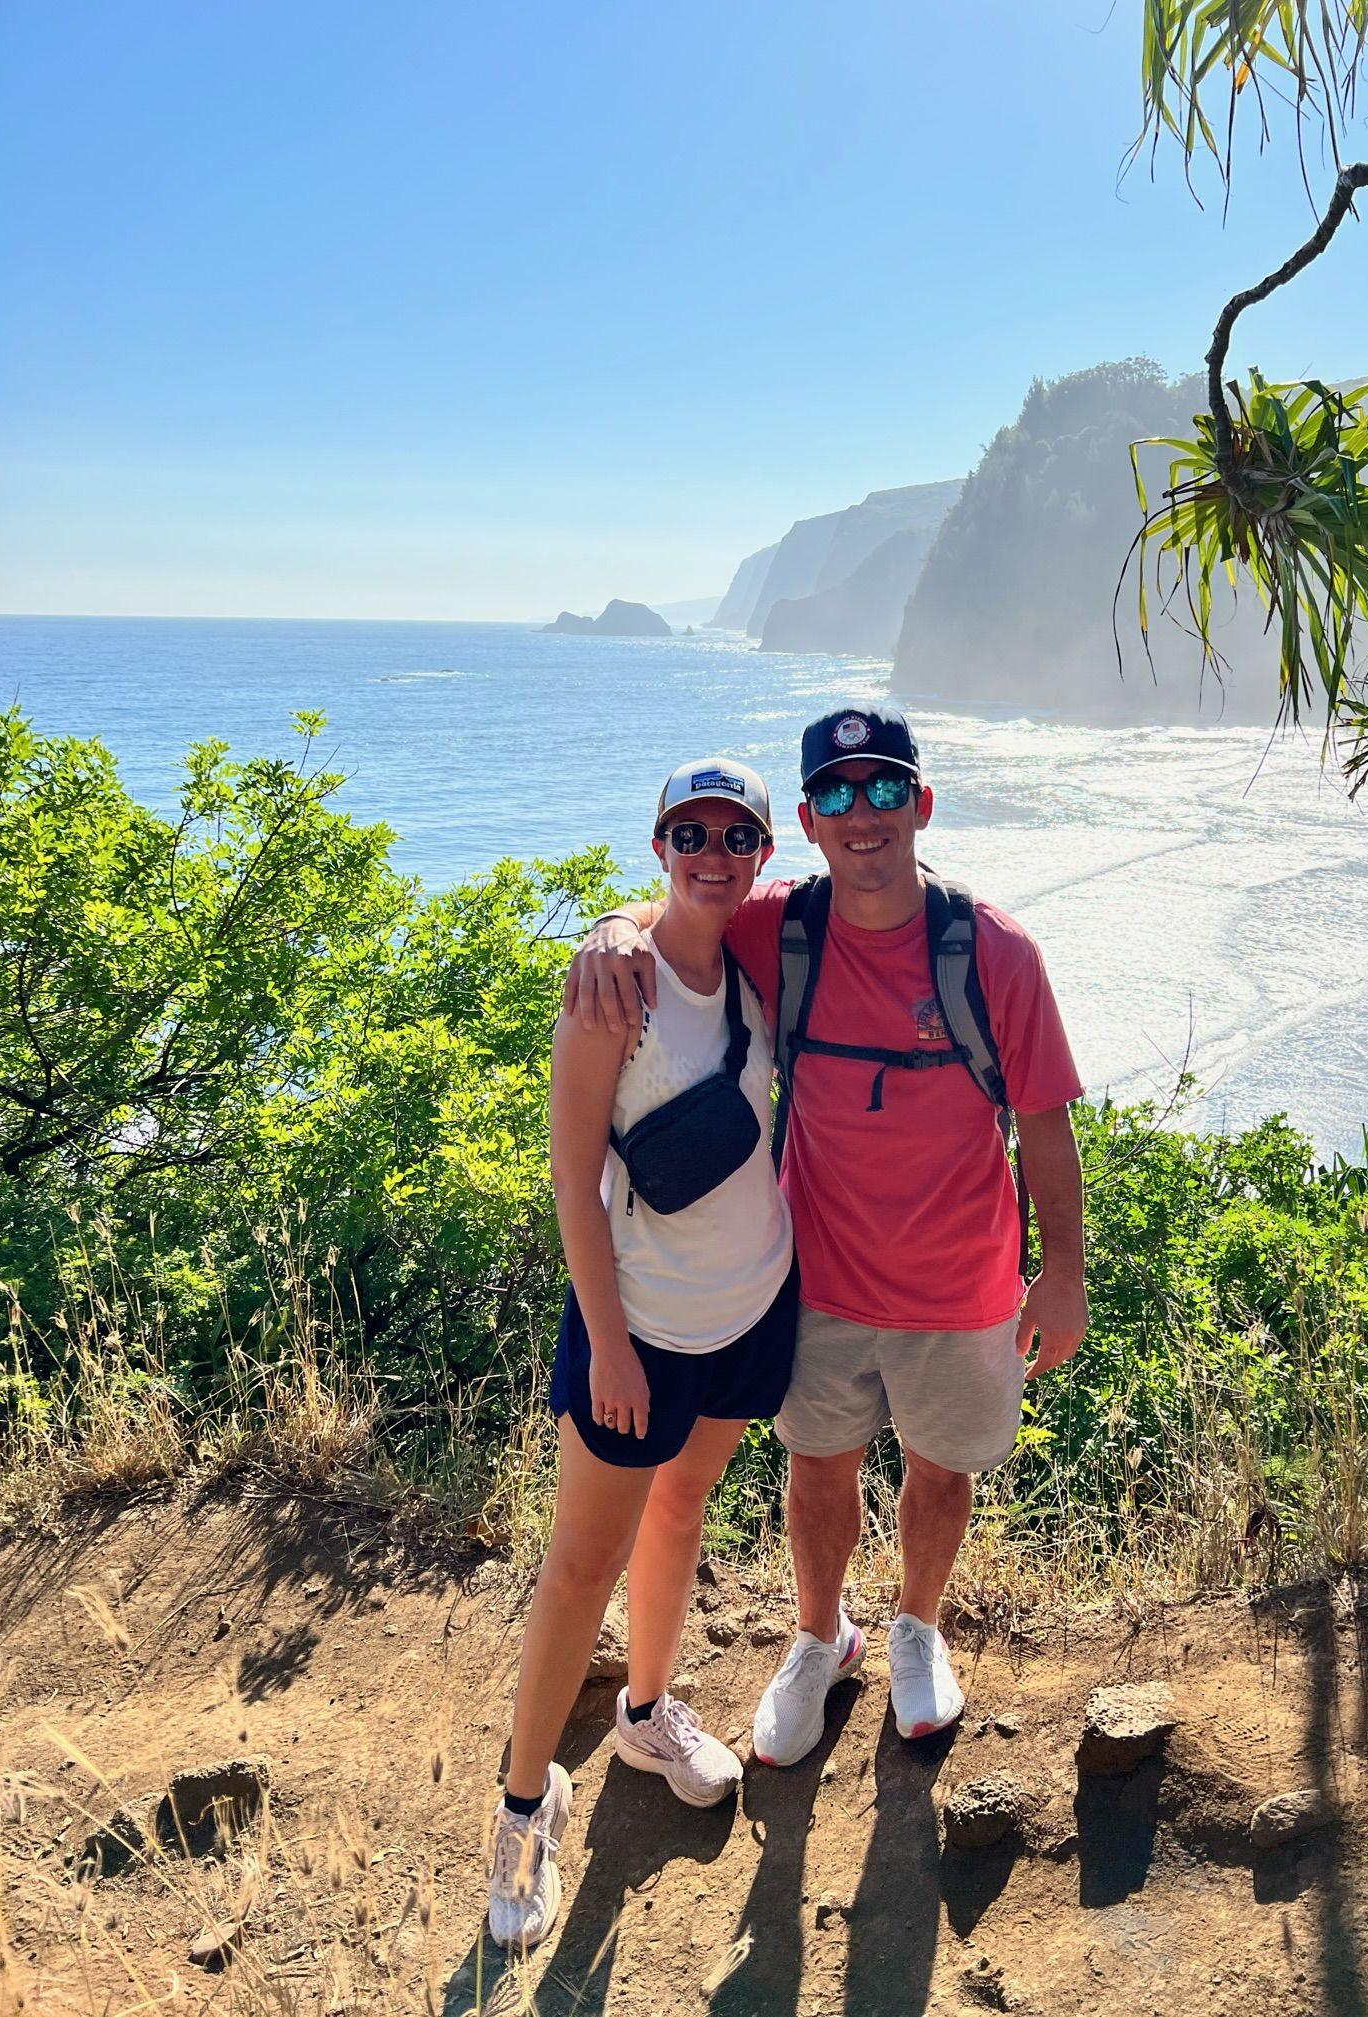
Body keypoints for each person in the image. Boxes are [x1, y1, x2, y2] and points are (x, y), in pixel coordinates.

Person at [565, 704, 1088, 1766]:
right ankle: (819, 1638)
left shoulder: (993, 951)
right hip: (818, 1278)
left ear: (921, 804)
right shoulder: (781, 928)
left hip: (964, 1278)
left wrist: (1065, 1271)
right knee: (818, 1468)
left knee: (941, 1468)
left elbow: (1044, 1123)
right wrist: (608, 929)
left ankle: (917, 1628)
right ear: (806, 821)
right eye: (839, 795)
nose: (864, 814)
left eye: (886, 788)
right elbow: (683, 909)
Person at [487, 759, 798, 1949]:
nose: (712, 852)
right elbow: (572, 1177)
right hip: (643, 1333)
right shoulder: (611, 989)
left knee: (683, 1515)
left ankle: (647, 1711)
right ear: (659, 842)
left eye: (736, 834)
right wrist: (607, 1343)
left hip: (754, 1310)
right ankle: (525, 1806)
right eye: (689, 831)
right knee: (579, 1566)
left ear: (764, 853)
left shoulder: (761, 965)